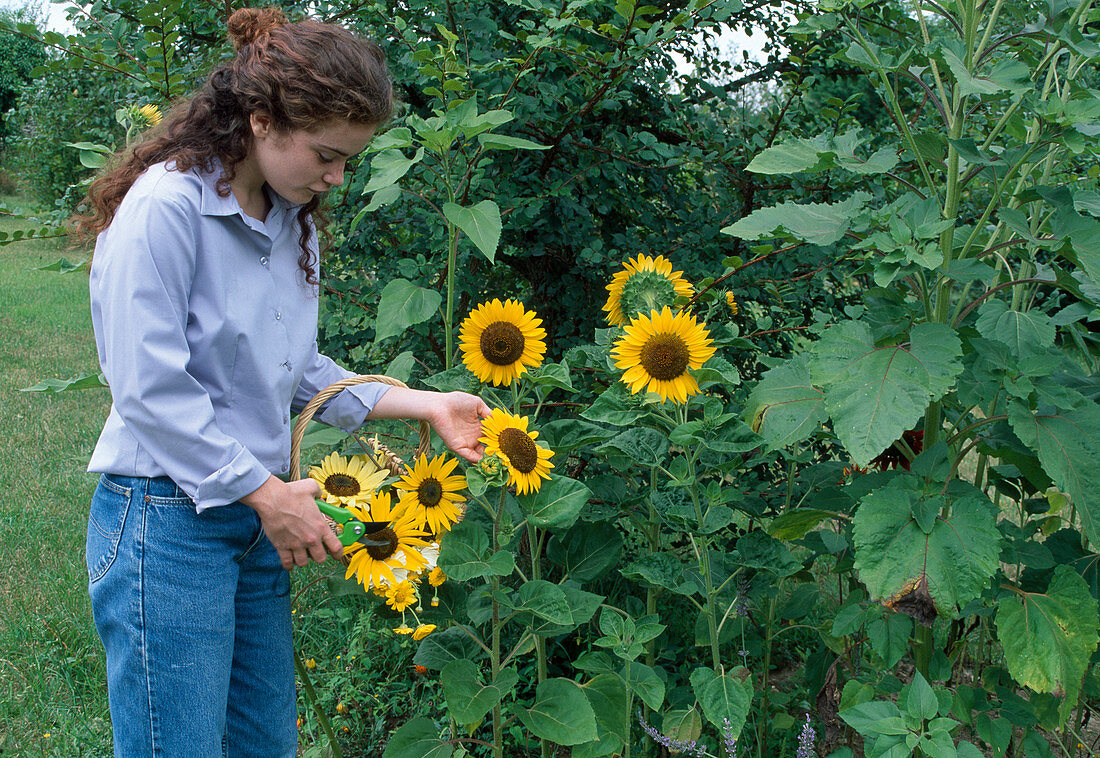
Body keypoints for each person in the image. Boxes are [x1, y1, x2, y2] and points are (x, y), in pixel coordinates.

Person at [72, 8, 489, 757]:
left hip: (259, 520)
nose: (335, 178)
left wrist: (425, 404)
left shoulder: (289, 219)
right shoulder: (166, 210)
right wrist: (268, 496)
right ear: (261, 119)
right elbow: (148, 387)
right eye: (327, 155)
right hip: (167, 526)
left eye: (348, 162)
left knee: (268, 746)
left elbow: (294, 368)